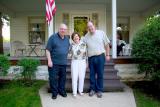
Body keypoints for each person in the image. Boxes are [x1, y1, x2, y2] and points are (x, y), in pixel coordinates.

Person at [83, 21, 110, 98]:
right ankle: (92, 89)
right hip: (91, 58)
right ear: (87, 28)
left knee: (100, 74)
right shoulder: (86, 37)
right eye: (88, 27)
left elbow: (107, 44)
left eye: (91, 26)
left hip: (100, 56)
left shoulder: (101, 33)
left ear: (94, 26)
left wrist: (107, 55)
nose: (90, 28)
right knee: (92, 74)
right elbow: (84, 49)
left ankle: (99, 90)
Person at [46, 23, 70, 99]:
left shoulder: (67, 39)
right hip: (54, 63)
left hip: (63, 63)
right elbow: (47, 50)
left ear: (66, 30)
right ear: (59, 29)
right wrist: (49, 61)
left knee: (62, 79)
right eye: (61, 29)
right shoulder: (52, 38)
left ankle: (61, 91)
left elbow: (68, 49)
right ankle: (54, 93)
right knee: (53, 79)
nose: (63, 30)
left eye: (64, 29)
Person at [70, 32, 87, 97]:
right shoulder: (71, 45)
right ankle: (74, 92)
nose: (76, 37)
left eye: (77, 36)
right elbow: (69, 53)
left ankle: (80, 91)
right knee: (74, 77)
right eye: (74, 37)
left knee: (81, 77)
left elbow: (80, 52)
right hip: (74, 62)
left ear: (79, 37)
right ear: (73, 38)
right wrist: (73, 53)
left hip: (82, 61)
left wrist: (74, 52)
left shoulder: (83, 44)